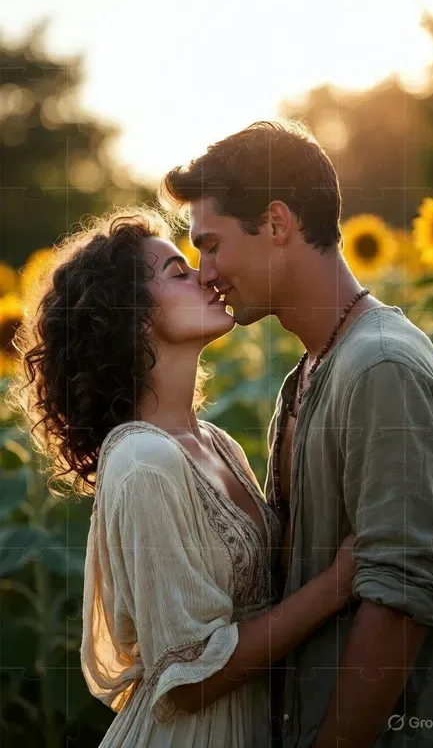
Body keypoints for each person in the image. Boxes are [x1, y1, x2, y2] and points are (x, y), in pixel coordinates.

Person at [8, 206, 357, 748]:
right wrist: (341, 580)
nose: (208, 275)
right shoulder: (142, 462)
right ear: (130, 314)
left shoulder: (215, 443)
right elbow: (191, 682)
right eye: (178, 271)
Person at [161, 119, 433, 747]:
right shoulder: (310, 374)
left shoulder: (380, 367)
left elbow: (400, 593)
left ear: (276, 224)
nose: (205, 272)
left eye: (211, 245)